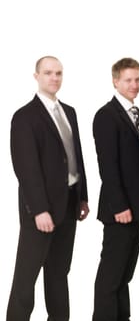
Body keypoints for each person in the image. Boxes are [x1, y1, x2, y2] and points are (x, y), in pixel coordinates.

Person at [7, 56, 89, 320]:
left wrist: (83, 197)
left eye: (59, 73)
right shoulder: (24, 117)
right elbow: (26, 169)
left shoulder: (70, 112)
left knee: (58, 273)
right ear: (36, 77)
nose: (54, 78)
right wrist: (39, 210)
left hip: (69, 203)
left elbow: (76, 157)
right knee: (26, 277)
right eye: (48, 73)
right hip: (41, 210)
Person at [92, 57, 139, 321]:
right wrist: (119, 206)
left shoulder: (136, 113)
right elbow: (108, 166)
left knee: (125, 275)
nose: (134, 84)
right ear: (115, 81)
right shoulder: (106, 116)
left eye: (137, 79)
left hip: (138, 207)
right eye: (128, 80)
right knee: (111, 276)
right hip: (120, 210)